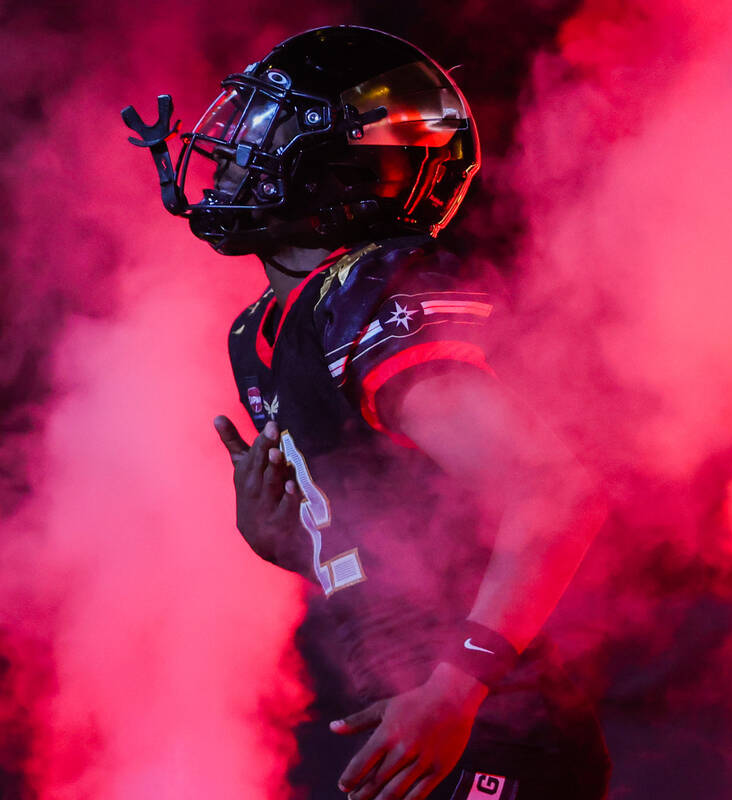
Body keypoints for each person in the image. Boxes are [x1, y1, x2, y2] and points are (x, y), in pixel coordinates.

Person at [122, 25, 610, 800]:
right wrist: (296, 544)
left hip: (488, 729)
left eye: (268, 133)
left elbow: (555, 495)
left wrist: (455, 690)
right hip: (417, 725)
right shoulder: (265, 331)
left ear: (343, 174)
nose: (234, 153)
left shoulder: (367, 303)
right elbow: (411, 552)